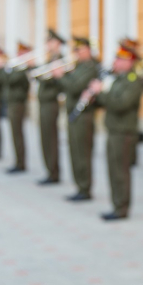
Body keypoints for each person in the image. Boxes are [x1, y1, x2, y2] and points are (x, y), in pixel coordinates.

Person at [90, 44, 143, 220]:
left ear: (130, 62)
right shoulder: (118, 79)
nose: (116, 62)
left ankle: (121, 208)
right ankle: (116, 205)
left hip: (124, 132)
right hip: (114, 130)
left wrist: (100, 93)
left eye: (120, 59)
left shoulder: (133, 80)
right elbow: (108, 101)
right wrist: (95, 95)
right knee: (113, 170)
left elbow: (121, 104)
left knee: (120, 171)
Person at [54, 37, 99, 201]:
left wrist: (60, 76)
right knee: (74, 151)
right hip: (74, 115)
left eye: (80, 50)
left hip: (83, 116)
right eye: (76, 50)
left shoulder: (90, 68)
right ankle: (79, 186)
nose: (77, 53)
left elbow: (74, 87)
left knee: (82, 153)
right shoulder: (78, 66)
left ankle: (85, 188)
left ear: (88, 50)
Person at [38, 29, 65, 185]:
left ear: (57, 43)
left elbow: (58, 82)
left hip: (51, 104)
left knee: (50, 139)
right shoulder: (50, 59)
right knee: (45, 138)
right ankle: (49, 170)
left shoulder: (60, 60)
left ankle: (53, 172)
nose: (47, 45)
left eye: (50, 42)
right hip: (44, 103)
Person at [6, 42, 35, 174]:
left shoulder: (24, 69)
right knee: (14, 133)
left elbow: (12, 80)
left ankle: (21, 162)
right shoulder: (17, 67)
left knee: (17, 133)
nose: (18, 55)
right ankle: (18, 161)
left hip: (18, 104)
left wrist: (23, 66)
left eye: (22, 53)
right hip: (12, 102)